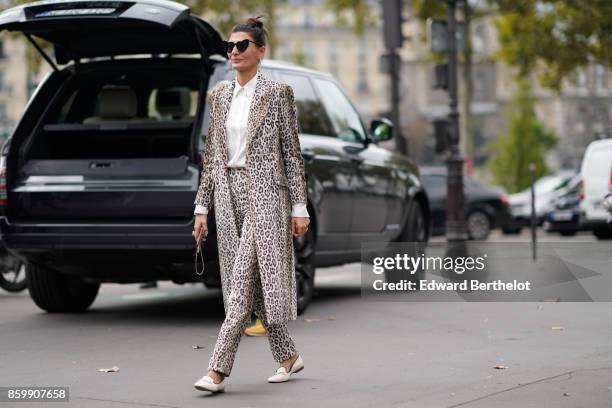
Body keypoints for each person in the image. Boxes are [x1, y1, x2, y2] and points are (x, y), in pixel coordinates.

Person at [191, 15, 310, 393]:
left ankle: (217, 370)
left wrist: (299, 207)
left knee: (240, 282)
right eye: (230, 46)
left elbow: (292, 155)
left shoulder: (278, 94)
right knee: (251, 281)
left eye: (242, 45)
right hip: (228, 197)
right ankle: (288, 356)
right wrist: (201, 208)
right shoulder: (220, 96)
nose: (234, 51)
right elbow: (212, 156)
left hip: (266, 197)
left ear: (261, 50)